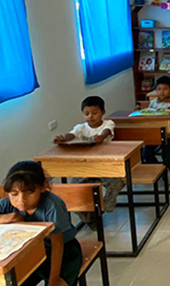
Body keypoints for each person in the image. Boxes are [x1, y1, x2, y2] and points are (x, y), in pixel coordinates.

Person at [53, 96, 124, 226]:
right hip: (85, 166)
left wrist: (101, 137)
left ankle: (106, 206)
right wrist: (63, 138)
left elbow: (106, 132)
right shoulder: (81, 127)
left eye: (95, 113)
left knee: (116, 182)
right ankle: (89, 218)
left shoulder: (108, 124)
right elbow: (72, 135)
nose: (90, 116)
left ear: (103, 112)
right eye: (87, 114)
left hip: (104, 164)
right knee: (74, 190)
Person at [142, 76, 170, 177]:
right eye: (159, 89)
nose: (161, 92)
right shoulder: (153, 102)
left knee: (166, 155)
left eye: (165, 89)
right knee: (146, 154)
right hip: (155, 134)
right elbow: (149, 115)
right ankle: (161, 172)